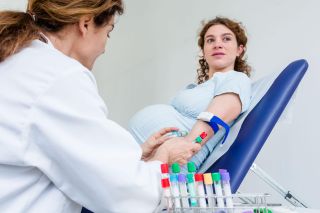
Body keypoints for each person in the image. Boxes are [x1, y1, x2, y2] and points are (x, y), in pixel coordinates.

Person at [0, 1, 201, 212]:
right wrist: (164, 158)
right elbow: (128, 195)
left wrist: (132, 158)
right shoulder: (57, 77)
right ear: (85, 24)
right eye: (108, 32)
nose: (104, 48)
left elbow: (55, 152)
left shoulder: (19, 60)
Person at [129, 17, 252, 172]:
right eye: (210, 40)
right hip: (150, 158)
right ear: (203, 51)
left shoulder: (236, 79)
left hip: (176, 160)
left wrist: (187, 145)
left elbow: (213, 120)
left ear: (239, 50)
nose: (217, 44)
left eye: (226, 39)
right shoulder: (197, 87)